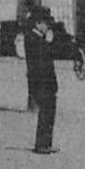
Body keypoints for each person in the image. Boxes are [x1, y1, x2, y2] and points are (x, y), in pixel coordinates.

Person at [22, 9, 59, 154]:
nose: (47, 27)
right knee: (45, 112)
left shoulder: (39, 38)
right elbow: (41, 56)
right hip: (40, 81)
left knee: (50, 111)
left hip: (47, 81)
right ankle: (41, 144)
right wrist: (48, 43)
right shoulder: (32, 38)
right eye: (45, 23)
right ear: (38, 24)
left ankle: (47, 143)